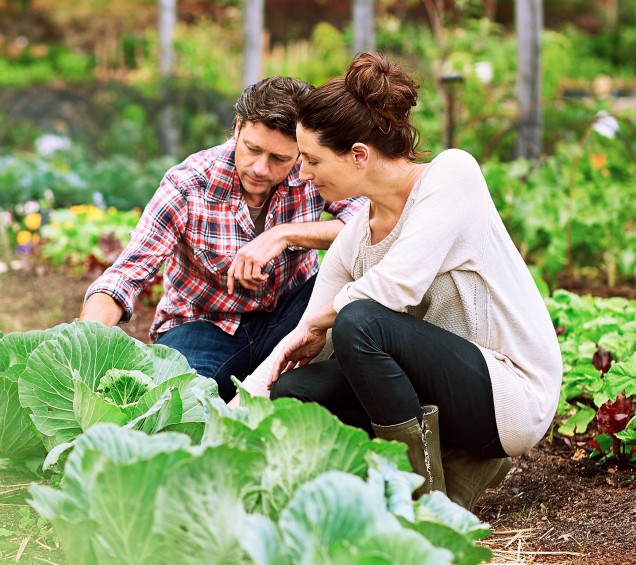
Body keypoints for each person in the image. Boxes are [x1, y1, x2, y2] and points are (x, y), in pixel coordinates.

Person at [241, 53, 562, 512]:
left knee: (359, 322)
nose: (303, 174)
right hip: (441, 393)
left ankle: (422, 505)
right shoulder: (356, 235)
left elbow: (395, 289)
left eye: (311, 160)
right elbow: (307, 328)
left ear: (358, 156)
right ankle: (442, 468)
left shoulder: (451, 176)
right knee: (297, 391)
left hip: (509, 395)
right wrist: (246, 400)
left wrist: (322, 326)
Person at [80, 76, 365, 400]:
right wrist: (86, 343)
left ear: (301, 151)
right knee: (171, 403)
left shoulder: (313, 172)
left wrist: (283, 234)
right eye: (252, 149)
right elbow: (126, 274)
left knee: (349, 295)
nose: (260, 168)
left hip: (292, 313)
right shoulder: (188, 184)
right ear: (238, 126)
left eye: (279, 159)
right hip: (202, 324)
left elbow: (370, 222)